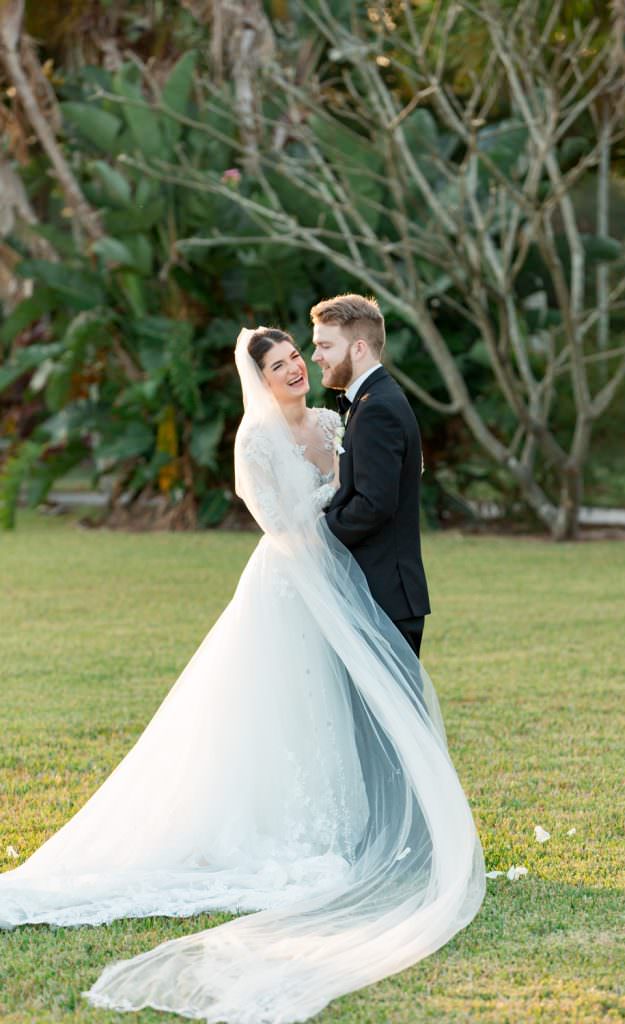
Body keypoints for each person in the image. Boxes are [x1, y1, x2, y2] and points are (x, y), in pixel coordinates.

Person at [0, 326, 485, 1024]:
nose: (295, 370)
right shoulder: (253, 442)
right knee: (284, 707)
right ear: (257, 378)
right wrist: (329, 510)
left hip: (343, 586)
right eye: (281, 365)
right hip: (290, 585)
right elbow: (280, 522)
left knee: (333, 708)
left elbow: (369, 484)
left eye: (298, 359)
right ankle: (291, 834)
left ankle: (350, 828)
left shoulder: (330, 420)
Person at [311, 294, 429, 658]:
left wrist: (318, 533)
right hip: (375, 594)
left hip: (383, 598)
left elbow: (374, 504)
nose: (316, 356)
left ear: (358, 348)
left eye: (325, 346)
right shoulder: (369, 400)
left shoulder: (377, 408)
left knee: (390, 716)